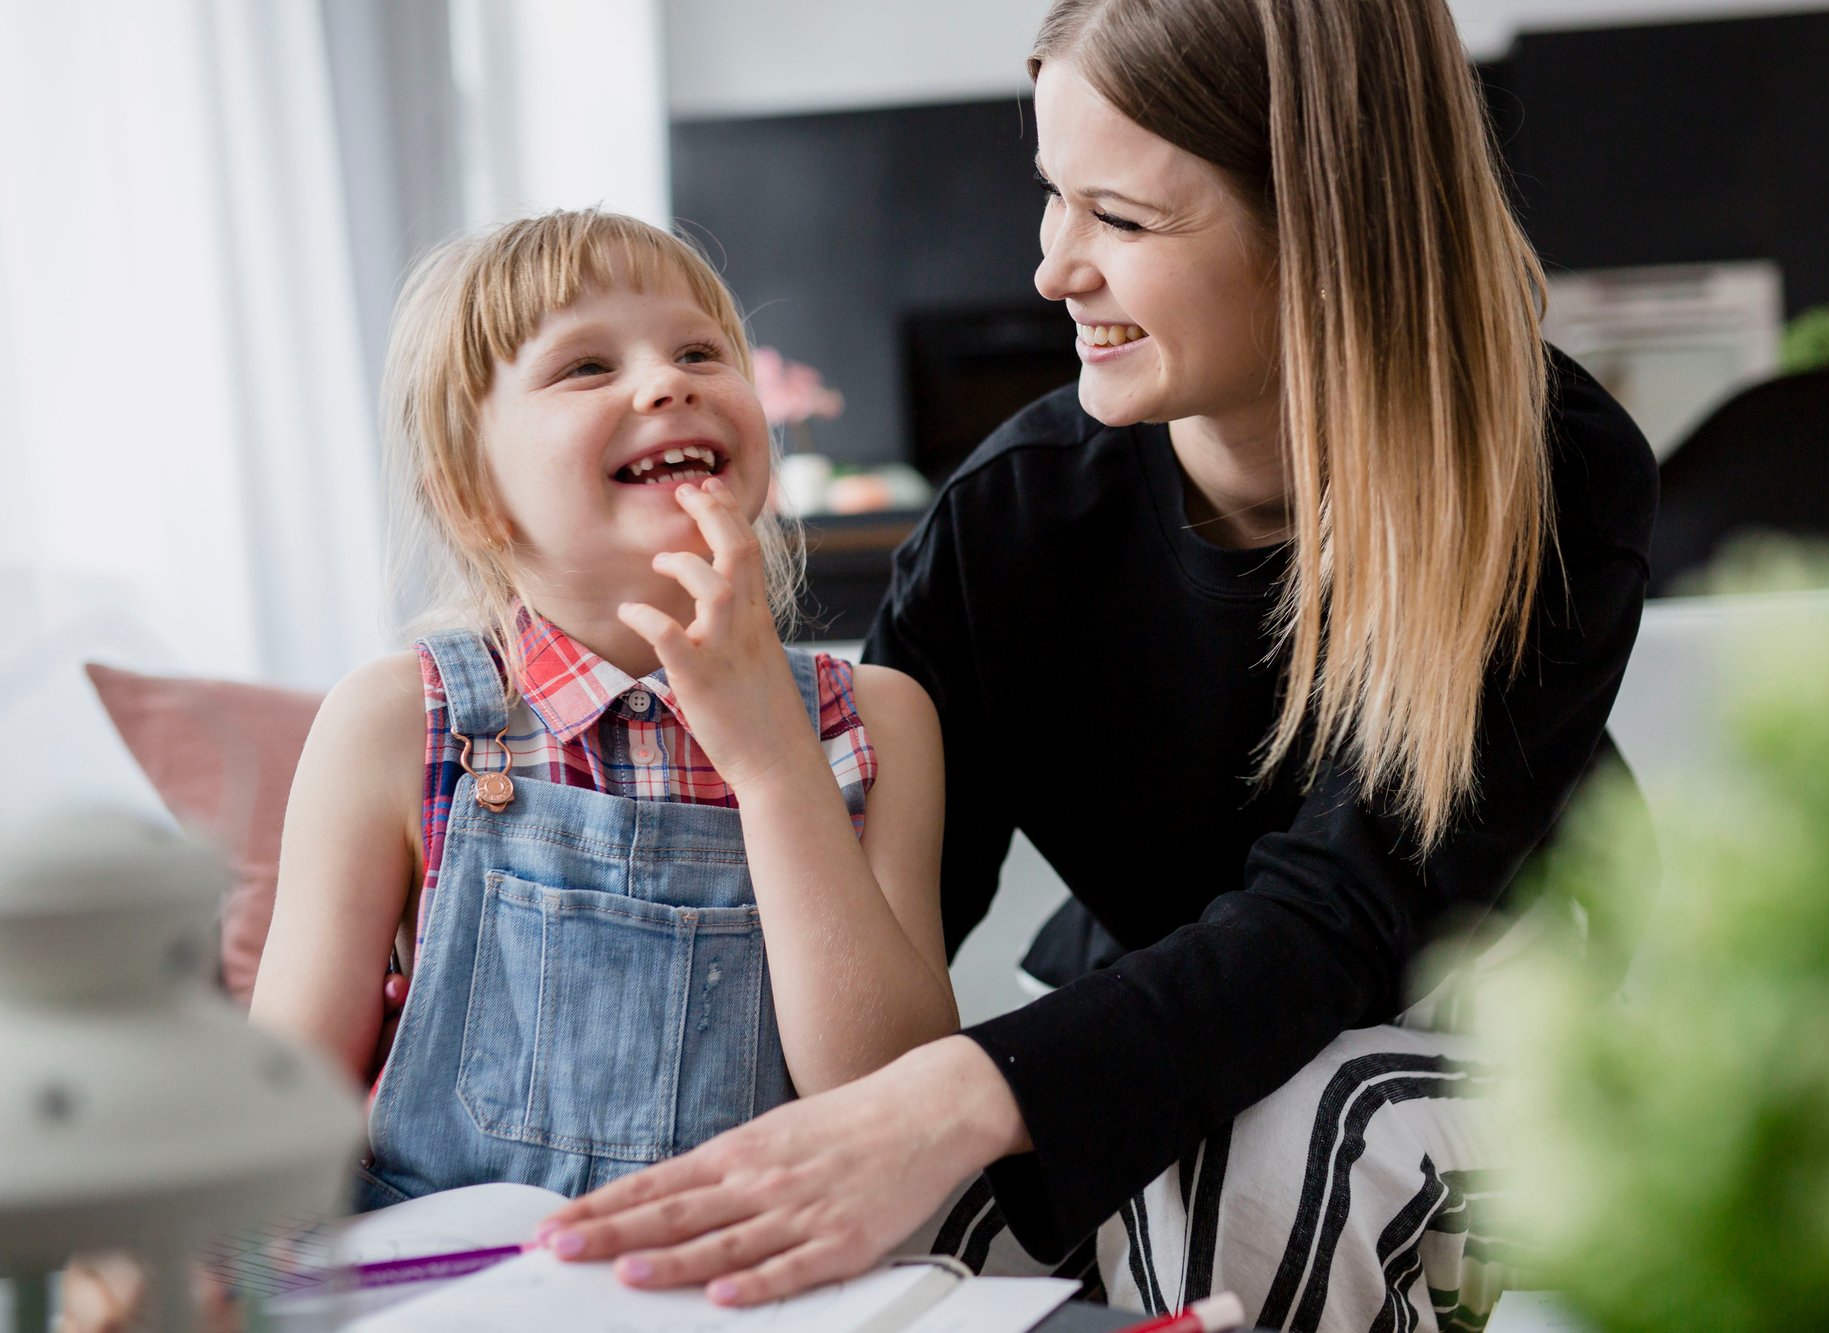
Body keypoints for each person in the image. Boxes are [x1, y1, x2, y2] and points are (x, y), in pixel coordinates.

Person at [533, 1, 1657, 1327]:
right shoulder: (1006, 526)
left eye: (1119, 219)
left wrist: (966, 1095)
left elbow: (1341, 919)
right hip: (1172, 999)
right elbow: (878, 949)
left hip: (1499, 1017)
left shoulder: (1547, 467)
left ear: (1326, 230)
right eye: (1053, 198)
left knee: (1272, 1142)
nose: (1054, 269)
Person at [248, 208, 958, 1206]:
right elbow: (276, 1113)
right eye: (586, 366)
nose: (667, 381)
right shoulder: (396, 723)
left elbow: (890, 1098)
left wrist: (771, 764)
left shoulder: (874, 720)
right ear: (469, 492)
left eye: (700, 350)